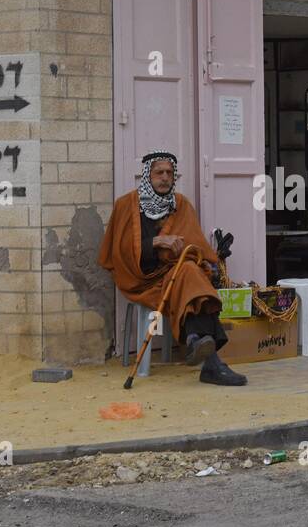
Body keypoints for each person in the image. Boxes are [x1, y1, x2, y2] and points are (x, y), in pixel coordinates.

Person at [98, 151, 247, 386]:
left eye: (169, 172)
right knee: (189, 280)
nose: (165, 177)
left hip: (174, 276)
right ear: (148, 175)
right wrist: (156, 243)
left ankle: (197, 341)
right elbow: (119, 252)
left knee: (190, 272)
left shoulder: (181, 205)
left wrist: (187, 254)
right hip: (142, 280)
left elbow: (195, 246)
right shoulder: (126, 205)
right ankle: (209, 359)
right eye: (159, 172)